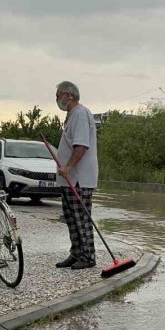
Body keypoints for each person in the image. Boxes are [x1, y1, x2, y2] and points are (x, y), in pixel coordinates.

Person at [53, 81, 99, 270]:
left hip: (79, 178)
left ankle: (88, 256)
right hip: (69, 178)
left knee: (81, 217)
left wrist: (69, 166)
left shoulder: (80, 114)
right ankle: (77, 252)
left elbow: (81, 146)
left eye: (58, 95)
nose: (57, 99)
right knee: (71, 218)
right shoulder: (71, 116)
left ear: (68, 96)